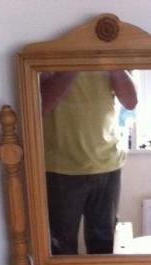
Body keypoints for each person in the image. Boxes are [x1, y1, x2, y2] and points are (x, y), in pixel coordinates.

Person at [40, 70, 137, 255]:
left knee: (105, 245)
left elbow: (131, 102)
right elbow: (40, 105)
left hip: (107, 163)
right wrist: (76, 64)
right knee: (60, 247)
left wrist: (111, 63)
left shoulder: (112, 50)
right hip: (61, 166)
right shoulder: (51, 51)